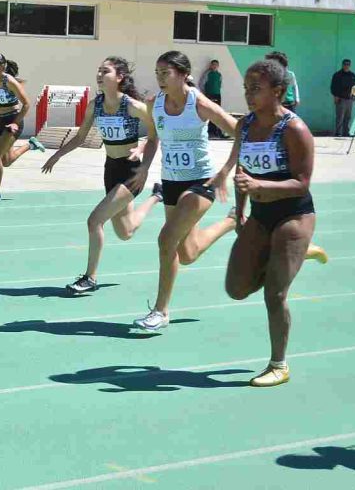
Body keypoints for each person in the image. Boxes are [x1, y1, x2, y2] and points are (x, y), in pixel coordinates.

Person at [223, 58, 329, 387]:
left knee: (275, 294)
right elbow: (243, 173)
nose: (248, 95)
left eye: (256, 89)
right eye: (246, 88)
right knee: (236, 288)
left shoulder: (294, 129)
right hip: (259, 214)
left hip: (294, 214)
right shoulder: (245, 126)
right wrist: (240, 209)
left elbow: (302, 182)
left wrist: (261, 187)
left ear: (278, 91)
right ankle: (296, 255)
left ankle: (278, 364)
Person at [133, 51, 240, 332]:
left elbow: (240, 131)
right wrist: (144, 167)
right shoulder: (154, 105)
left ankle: (161, 311)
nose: (159, 79)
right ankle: (231, 221)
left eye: (165, 73)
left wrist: (225, 171)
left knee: (166, 240)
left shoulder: (200, 103)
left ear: (183, 74)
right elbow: (153, 139)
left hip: (201, 183)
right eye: (157, 73)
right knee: (188, 252)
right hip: (171, 182)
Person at [41, 57, 163, 294]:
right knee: (125, 231)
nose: (99, 74)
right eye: (98, 70)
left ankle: (90, 278)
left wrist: (143, 161)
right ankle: (157, 197)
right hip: (111, 170)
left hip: (131, 172)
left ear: (119, 78)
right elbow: (80, 137)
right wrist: (57, 155)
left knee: (94, 220)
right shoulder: (95, 105)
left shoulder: (132, 106)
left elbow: (154, 134)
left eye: (105, 71)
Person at [0, 53, 45, 204]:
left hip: (13, 121)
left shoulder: (9, 81)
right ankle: (31, 144)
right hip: (0, 121)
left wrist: (15, 122)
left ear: (2, 67)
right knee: (6, 161)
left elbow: (27, 104)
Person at [330, 58, 355, 137]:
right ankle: (338, 132)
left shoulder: (353, 75)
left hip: (349, 99)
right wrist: (335, 96)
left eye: (348, 64)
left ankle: (346, 132)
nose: (346, 66)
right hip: (340, 98)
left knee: (348, 117)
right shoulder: (337, 75)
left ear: (350, 65)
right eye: (345, 64)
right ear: (342, 65)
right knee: (340, 116)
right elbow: (333, 87)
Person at [199, 59, 224, 139]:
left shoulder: (219, 74)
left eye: (216, 65)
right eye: (213, 64)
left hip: (217, 94)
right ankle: (209, 131)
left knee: (217, 112)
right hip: (209, 94)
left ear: (218, 66)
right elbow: (201, 83)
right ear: (211, 65)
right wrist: (205, 93)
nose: (214, 66)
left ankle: (217, 131)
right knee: (209, 112)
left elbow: (220, 84)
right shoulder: (207, 73)